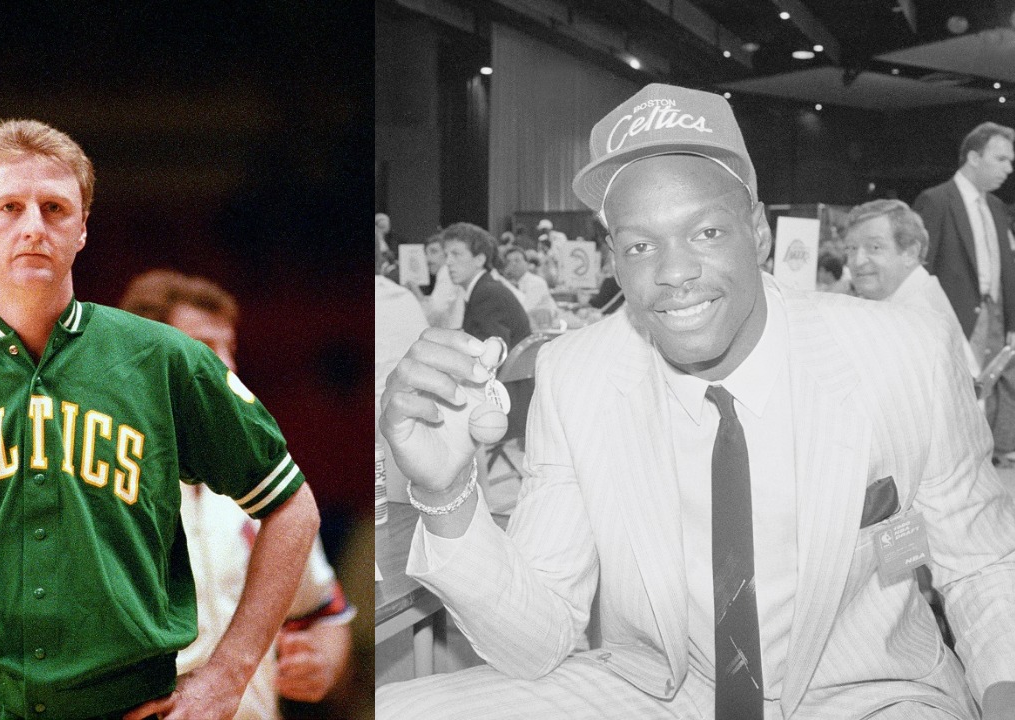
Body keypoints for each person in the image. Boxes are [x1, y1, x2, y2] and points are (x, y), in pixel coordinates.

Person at [377, 84, 1015, 719]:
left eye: (706, 231)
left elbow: (982, 563)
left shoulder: (899, 352)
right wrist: (446, 491)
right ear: (614, 264)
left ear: (759, 234)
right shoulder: (578, 375)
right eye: (639, 245)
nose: (673, 271)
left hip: (872, 695)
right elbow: (539, 642)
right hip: (666, 691)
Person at [0, 119, 320, 720]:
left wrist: (228, 675)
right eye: (9, 207)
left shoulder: (166, 363)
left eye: (55, 208)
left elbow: (292, 507)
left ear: (83, 228)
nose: (33, 227)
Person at [118, 268, 355, 720]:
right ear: (141, 359)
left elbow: (325, 612)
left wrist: (321, 663)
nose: (225, 366)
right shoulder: (95, 483)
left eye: (230, 348)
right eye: (205, 348)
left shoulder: (268, 484)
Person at [914, 122, 1015, 463]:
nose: (1008, 168)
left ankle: (984, 463)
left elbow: (1007, 270)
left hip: (996, 317)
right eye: (1000, 159)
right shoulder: (936, 200)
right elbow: (921, 268)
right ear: (974, 156)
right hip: (953, 320)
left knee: (991, 396)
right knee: (956, 400)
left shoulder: (998, 208)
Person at [842, 198, 980, 377]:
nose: (858, 261)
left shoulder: (918, 315)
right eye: (851, 249)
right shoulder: (913, 294)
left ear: (910, 253)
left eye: (874, 247)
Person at [441, 222, 531, 347]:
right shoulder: (483, 288)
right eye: (446, 255)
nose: (448, 262)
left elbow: (490, 359)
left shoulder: (487, 293)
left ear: (479, 260)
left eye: (456, 254)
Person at [500, 246, 558, 324]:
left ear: (526, 263)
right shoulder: (514, 283)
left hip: (545, 330)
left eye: (517, 260)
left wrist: (503, 282)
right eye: (509, 261)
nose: (513, 264)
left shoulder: (536, 282)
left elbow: (523, 310)